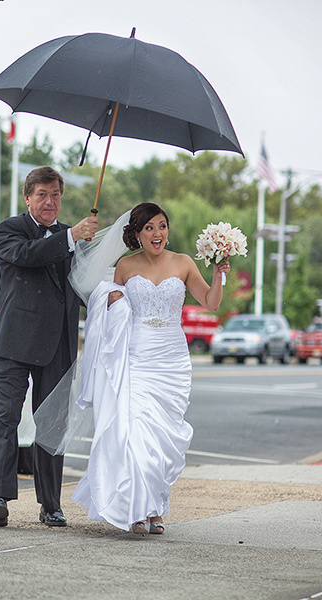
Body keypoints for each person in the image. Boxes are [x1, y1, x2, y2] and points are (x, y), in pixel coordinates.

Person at [70, 202, 230, 535]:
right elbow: (108, 309)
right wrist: (112, 301)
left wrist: (218, 274)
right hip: (137, 356)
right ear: (137, 235)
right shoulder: (125, 267)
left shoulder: (184, 263)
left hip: (172, 359)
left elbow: (211, 303)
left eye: (162, 226)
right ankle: (136, 511)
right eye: (149, 228)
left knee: (162, 436)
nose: (157, 234)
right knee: (136, 432)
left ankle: (155, 508)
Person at [0, 166, 99, 527]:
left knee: (52, 427)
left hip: (58, 346)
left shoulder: (73, 237)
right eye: (42, 195)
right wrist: (70, 238)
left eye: (56, 195)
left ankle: (51, 504)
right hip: (12, 344)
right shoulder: (10, 231)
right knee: (6, 419)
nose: (50, 202)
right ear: (28, 198)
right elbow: (29, 255)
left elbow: (83, 288)